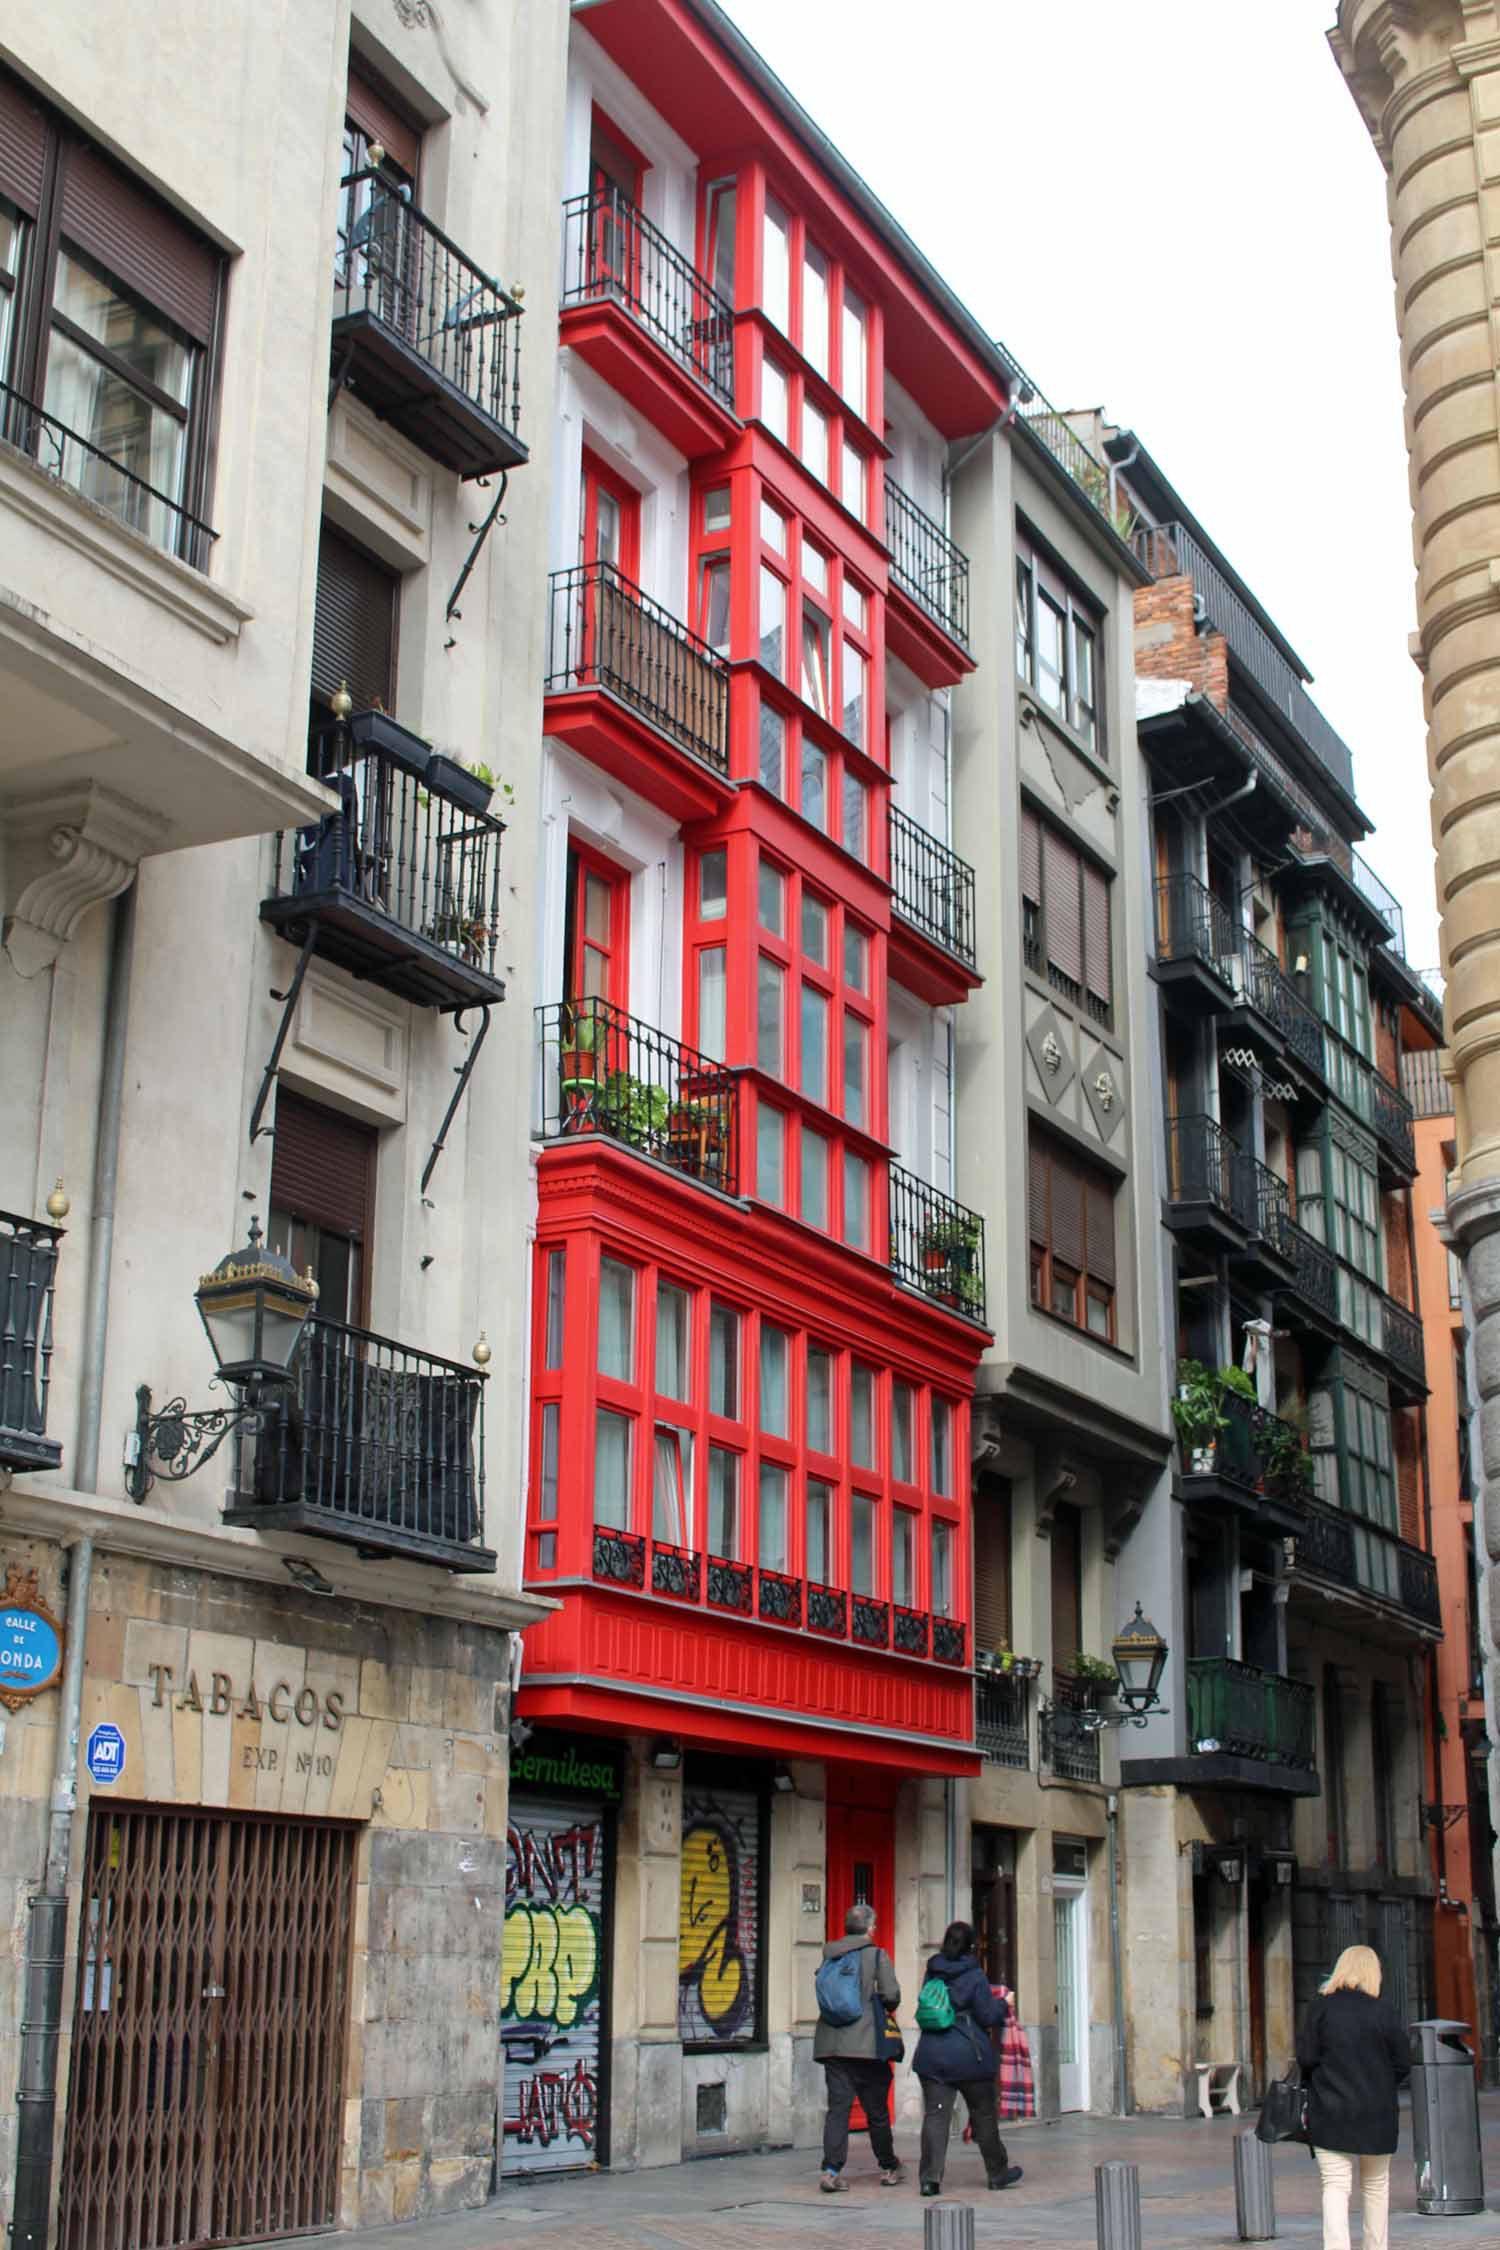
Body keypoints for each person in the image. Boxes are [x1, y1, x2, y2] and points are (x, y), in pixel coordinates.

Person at [1295, 1942, 1410, 2250]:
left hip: (1330, 2110)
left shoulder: (1321, 2007)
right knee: (1375, 2187)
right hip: (1376, 2114)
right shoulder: (1382, 2010)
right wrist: (1381, 2083)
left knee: (1335, 2186)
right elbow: (1403, 2062)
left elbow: (1306, 2058)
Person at [913, 1920, 1023, 2197]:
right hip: (968, 2055)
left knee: (936, 2116)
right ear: (971, 1946)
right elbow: (987, 2015)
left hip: (932, 2054)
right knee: (984, 2114)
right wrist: (1003, 2004)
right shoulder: (974, 1974)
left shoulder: (933, 1970)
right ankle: (997, 2172)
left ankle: (930, 2180)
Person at [814, 1902, 904, 2192]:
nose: (875, 1930)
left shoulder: (830, 1954)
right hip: (866, 2045)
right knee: (876, 2109)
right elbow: (891, 1995)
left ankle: (830, 2171)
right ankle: (888, 2167)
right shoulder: (876, 1955)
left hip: (831, 2044)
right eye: (874, 1925)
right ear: (868, 1928)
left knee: (837, 2109)